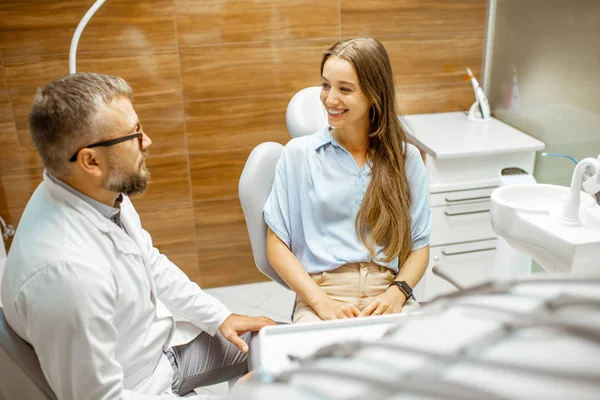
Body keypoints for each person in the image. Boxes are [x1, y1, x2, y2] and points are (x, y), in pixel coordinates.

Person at [0, 72, 275, 399]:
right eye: (133, 135)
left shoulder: (98, 191)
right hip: (141, 387)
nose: (147, 141)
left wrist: (220, 317)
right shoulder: (66, 275)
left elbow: (151, 262)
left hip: (162, 351)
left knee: (283, 344)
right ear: (91, 160)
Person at [264, 37, 432, 323]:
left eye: (345, 89)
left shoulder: (405, 159)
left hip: (387, 291)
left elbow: (419, 246)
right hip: (323, 291)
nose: (330, 99)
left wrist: (398, 293)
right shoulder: (299, 155)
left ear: (374, 94)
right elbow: (276, 246)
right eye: (326, 85)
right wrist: (321, 303)